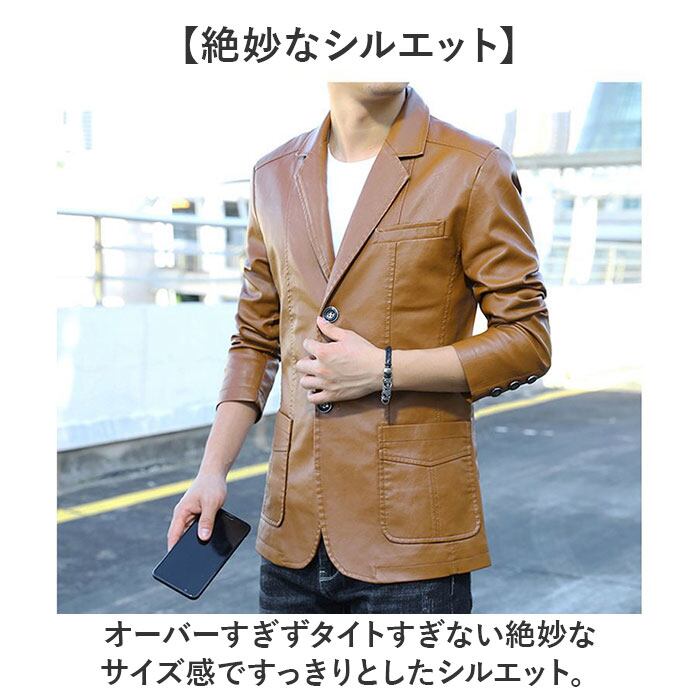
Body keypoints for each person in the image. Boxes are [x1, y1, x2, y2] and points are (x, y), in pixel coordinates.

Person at [167, 82, 552, 614]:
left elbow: (528, 339)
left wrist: (383, 369)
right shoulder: (272, 175)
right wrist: (211, 472)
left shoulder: (473, 167)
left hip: (412, 538)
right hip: (293, 534)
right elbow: (255, 339)